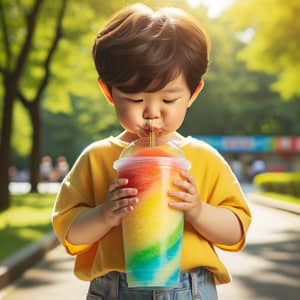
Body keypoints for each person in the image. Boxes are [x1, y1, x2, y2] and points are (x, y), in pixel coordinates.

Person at [52, 4, 252, 300]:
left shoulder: (204, 158)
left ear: (193, 93)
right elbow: (69, 234)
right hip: (116, 289)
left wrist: (198, 210)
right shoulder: (97, 159)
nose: (151, 114)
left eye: (169, 100)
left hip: (190, 288)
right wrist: (107, 213)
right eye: (134, 98)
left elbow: (236, 232)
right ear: (108, 92)